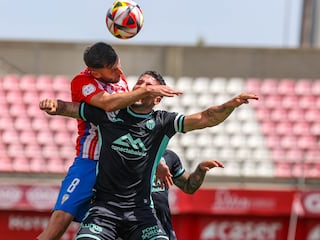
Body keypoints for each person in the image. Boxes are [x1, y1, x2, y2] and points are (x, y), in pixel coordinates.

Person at [39, 70, 258, 239]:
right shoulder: (110, 113)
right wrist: (54, 104)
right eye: (139, 83)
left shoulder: (163, 122)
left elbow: (206, 117)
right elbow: (71, 108)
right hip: (104, 209)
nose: (142, 87)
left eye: (148, 85)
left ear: (158, 97)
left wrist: (231, 105)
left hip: (141, 212)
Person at [37, 43, 181, 240]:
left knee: (131, 221)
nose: (120, 72)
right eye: (113, 69)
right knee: (59, 223)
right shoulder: (82, 81)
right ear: (96, 74)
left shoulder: (119, 79)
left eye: (119, 65)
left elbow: (137, 127)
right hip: (91, 160)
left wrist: (157, 161)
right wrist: (148, 90)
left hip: (120, 164)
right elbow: (108, 104)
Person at [152, 149, 224, 240]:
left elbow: (188, 186)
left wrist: (200, 170)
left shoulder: (168, 156)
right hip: (136, 223)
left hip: (163, 227)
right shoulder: (133, 156)